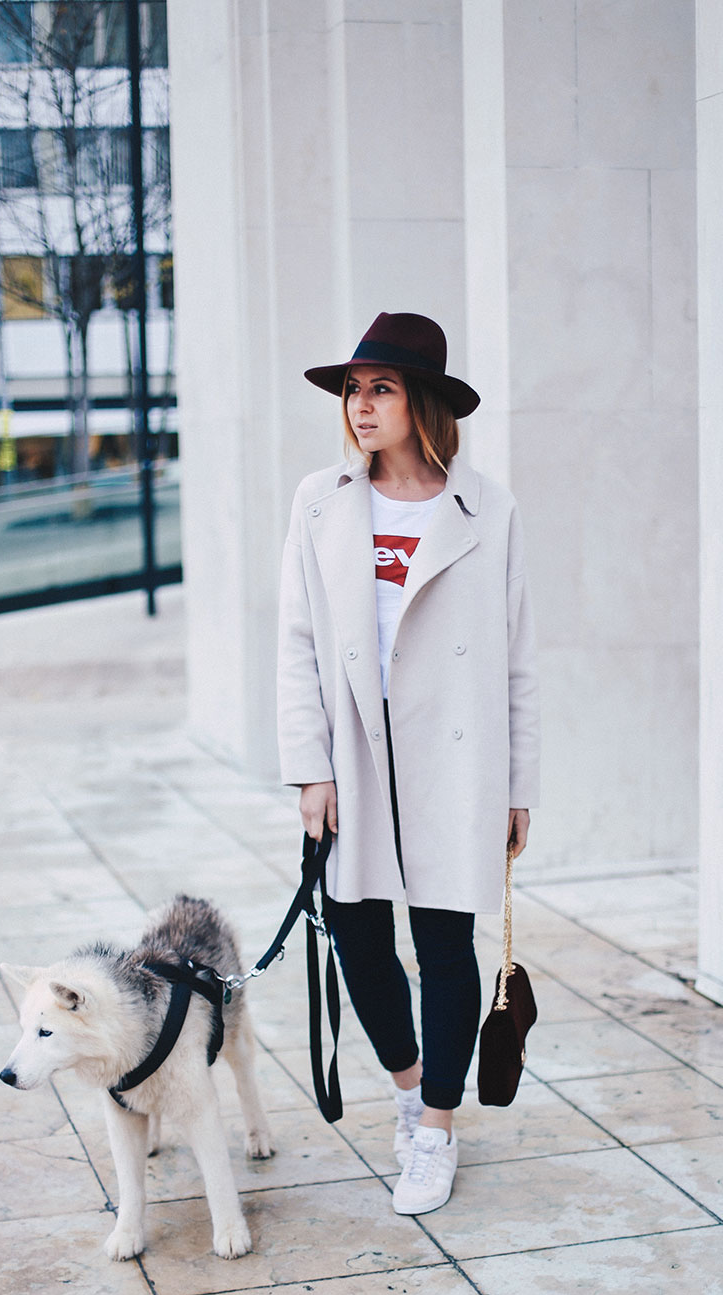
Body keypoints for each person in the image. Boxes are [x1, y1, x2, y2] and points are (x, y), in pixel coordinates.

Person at [277, 311, 540, 1215]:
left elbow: (518, 657)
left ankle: (435, 1128)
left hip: (453, 762)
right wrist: (309, 769)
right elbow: (298, 646)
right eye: (353, 389)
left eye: (380, 388)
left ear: (421, 401)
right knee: (355, 935)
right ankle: (406, 1082)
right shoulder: (321, 500)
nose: (360, 406)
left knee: (443, 944)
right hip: (355, 757)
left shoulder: (487, 506)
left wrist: (518, 783)